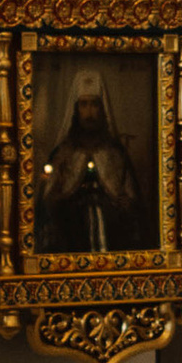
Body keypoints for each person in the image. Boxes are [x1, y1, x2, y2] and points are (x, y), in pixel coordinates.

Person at [38, 67, 150, 250]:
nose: (89, 112)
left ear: (101, 108)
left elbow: (132, 200)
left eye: (94, 104)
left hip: (113, 230)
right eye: (84, 105)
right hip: (71, 230)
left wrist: (123, 204)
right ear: (76, 109)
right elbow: (48, 199)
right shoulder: (63, 152)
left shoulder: (116, 153)